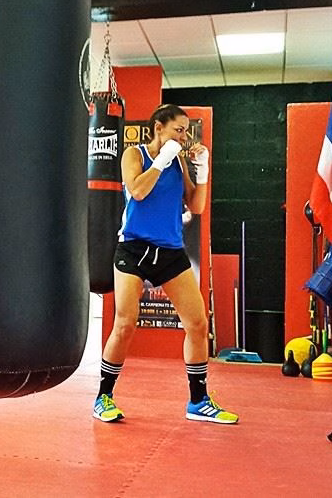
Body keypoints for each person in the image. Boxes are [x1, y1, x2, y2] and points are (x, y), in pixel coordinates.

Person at [93, 104, 238, 424]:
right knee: (125, 323)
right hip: (134, 249)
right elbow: (138, 190)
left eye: (186, 130)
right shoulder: (135, 154)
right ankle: (104, 397)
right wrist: (161, 159)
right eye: (179, 129)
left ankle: (198, 402)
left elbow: (196, 206)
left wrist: (202, 170)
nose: (184, 136)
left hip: (171, 252)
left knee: (198, 324)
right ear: (158, 127)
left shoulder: (179, 162)